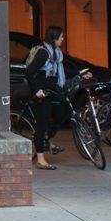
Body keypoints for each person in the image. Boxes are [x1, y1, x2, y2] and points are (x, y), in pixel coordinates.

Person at [25, 25, 69, 170]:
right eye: (61, 36)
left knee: (60, 114)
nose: (63, 39)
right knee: (41, 124)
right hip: (42, 94)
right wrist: (37, 90)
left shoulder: (56, 54)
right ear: (54, 38)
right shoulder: (43, 54)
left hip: (52, 91)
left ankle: (49, 140)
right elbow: (30, 72)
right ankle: (41, 159)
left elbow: (60, 72)